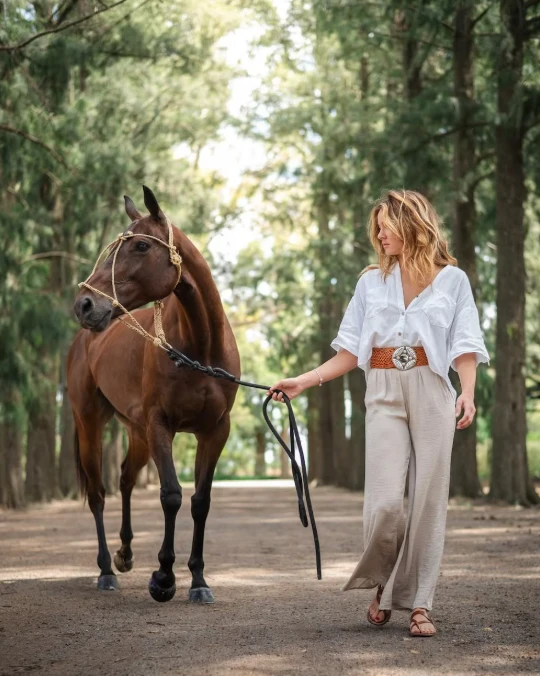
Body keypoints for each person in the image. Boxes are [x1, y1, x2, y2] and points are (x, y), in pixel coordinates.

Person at [267, 189, 489, 637]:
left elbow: (465, 343)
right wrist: (304, 381)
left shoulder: (453, 280)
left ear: (412, 225)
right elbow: (350, 351)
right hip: (383, 391)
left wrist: (467, 392)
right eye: (378, 228)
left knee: (427, 502)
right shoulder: (371, 282)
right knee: (385, 503)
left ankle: (419, 604)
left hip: (432, 389)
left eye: (386, 226)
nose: (380, 235)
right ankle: (384, 582)